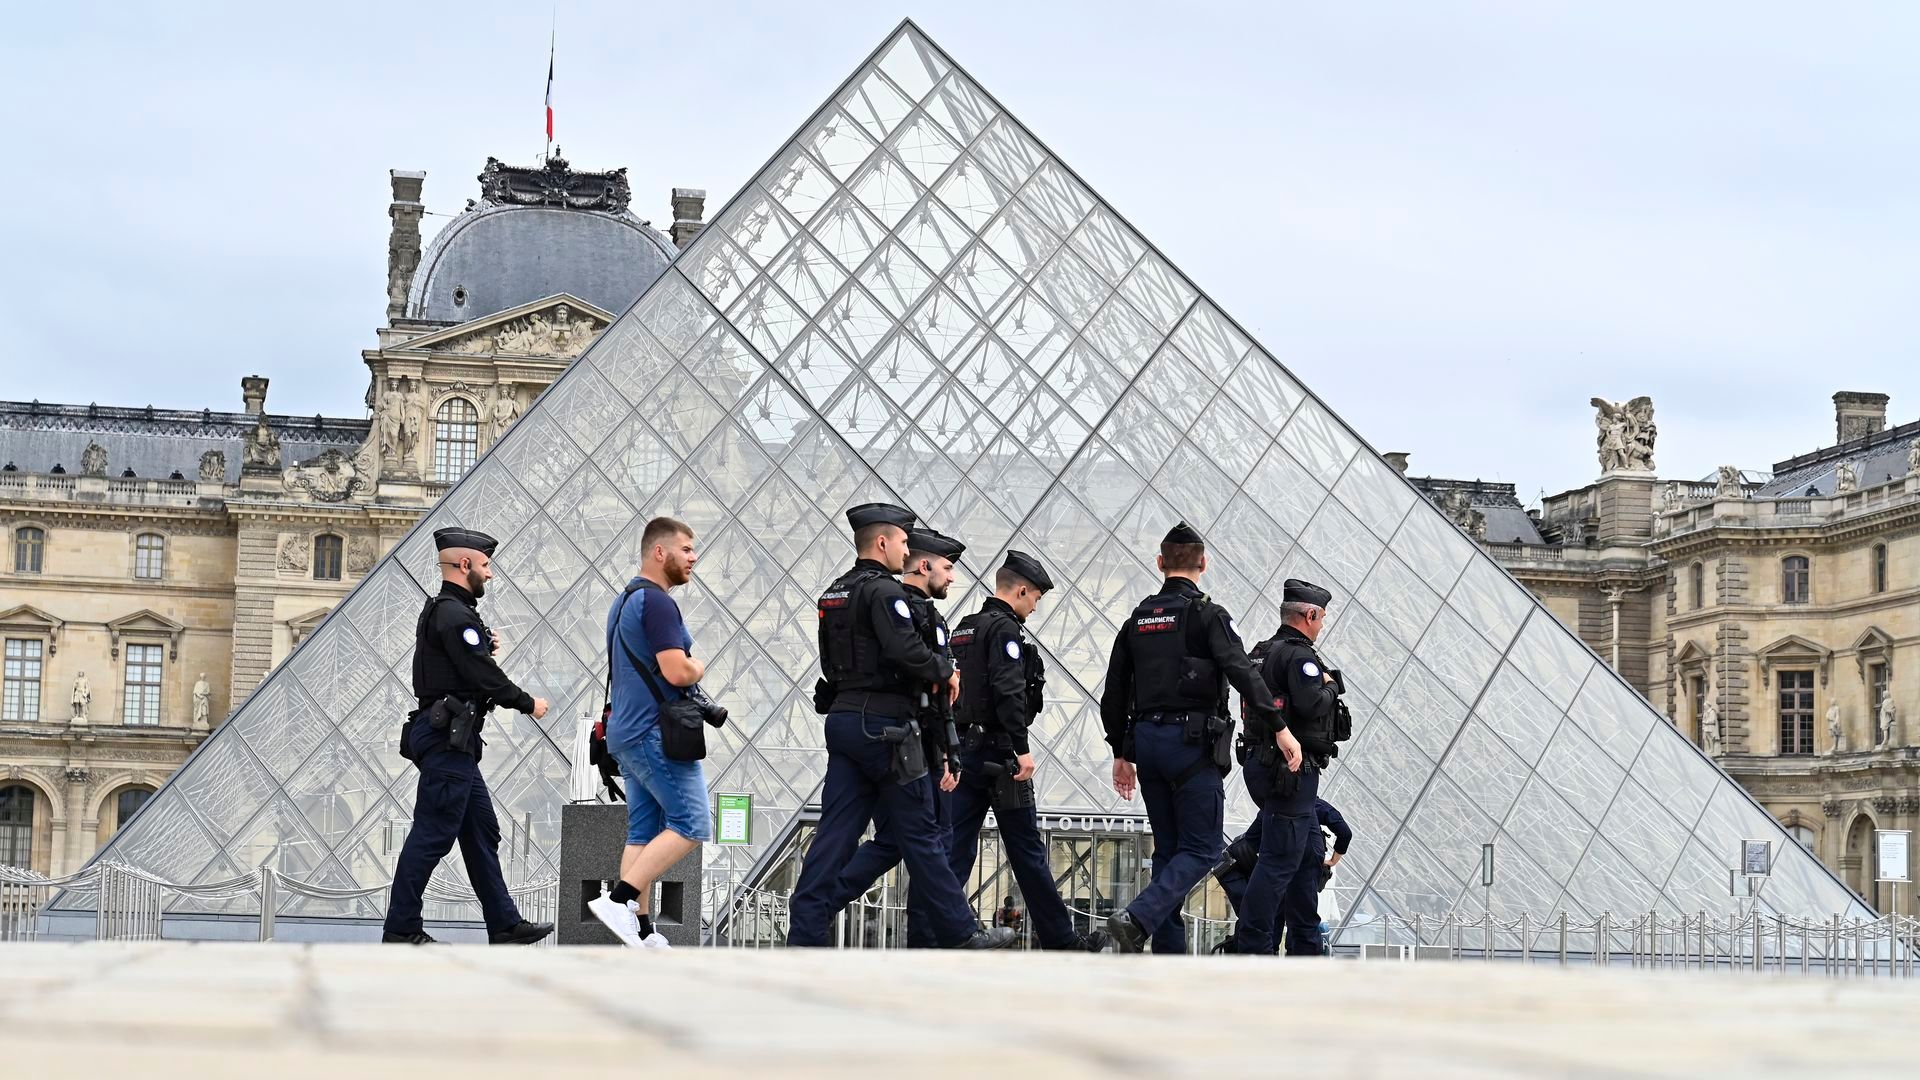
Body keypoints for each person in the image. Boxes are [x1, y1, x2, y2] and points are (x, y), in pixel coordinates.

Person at [786, 503, 1014, 950]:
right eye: (904, 542)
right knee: (923, 834)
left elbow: (832, 664)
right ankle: (961, 932)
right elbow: (904, 650)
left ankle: (805, 932)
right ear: (883, 542)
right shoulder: (885, 592)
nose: (907, 552)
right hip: (886, 728)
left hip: (845, 719)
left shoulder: (834, 592)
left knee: (835, 834)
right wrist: (945, 672)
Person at [1100, 522, 1294, 954]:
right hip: (1190, 744)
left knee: (1169, 852)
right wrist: (1279, 727)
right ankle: (1137, 918)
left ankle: (1166, 952)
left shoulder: (1137, 620)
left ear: (1160, 563)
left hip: (1146, 744)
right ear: (1203, 563)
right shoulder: (1208, 615)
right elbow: (1242, 672)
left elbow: (1113, 693)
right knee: (1203, 848)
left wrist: (1119, 752)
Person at [382, 527, 553, 945]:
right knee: (433, 833)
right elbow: (481, 676)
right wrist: (527, 702)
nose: (490, 573)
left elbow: (459, 669)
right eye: (485, 565)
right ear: (464, 564)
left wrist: (482, 650)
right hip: (448, 742)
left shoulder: (448, 612)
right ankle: (401, 929)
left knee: (481, 831)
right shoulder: (455, 615)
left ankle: (505, 925)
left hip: (453, 741)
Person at [948, 551, 1109, 952]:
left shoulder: (965, 627)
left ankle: (939, 932)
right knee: (1027, 853)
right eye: (1035, 597)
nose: (1035, 607)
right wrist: (1021, 749)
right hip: (1001, 755)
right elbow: (1008, 692)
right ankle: (1063, 941)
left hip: (964, 750)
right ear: (1020, 590)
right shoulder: (1004, 630)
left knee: (955, 849)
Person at [824, 526, 968, 947]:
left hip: (886, 735)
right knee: (929, 838)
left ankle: (821, 902)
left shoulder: (882, 602)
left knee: (897, 838)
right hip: (906, 743)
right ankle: (933, 937)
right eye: (947, 568)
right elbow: (932, 692)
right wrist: (948, 751)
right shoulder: (910, 611)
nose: (952, 577)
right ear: (923, 565)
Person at [587, 517, 709, 949]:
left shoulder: (623, 601)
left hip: (625, 731)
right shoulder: (657, 603)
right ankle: (619, 899)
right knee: (692, 822)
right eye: (686, 549)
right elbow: (677, 671)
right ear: (660, 552)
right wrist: (698, 667)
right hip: (655, 733)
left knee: (643, 831)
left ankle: (641, 931)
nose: (694, 557)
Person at [1232, 580, 1345, 956]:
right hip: (1290, 771)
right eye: (1321, 618)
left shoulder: (1261, 652)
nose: (1322, 625)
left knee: (1300, 858)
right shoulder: (1300, 657)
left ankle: (1300, 948)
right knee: (1279, 861)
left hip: (1260, 764)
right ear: (1309, 615)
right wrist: (1332, 685)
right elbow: (1312, 704)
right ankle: (1253, 946)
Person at [1212, 796, 1351, 954]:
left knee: (1269, 920)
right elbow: (1345, 833)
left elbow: (1248, 843)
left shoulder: (1270, 806)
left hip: (1276, 871)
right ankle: (1302, 962)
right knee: (1303, 922)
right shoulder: (1315, 805)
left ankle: (1267, 960)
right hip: (1304, 869)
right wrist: (1333, 860)